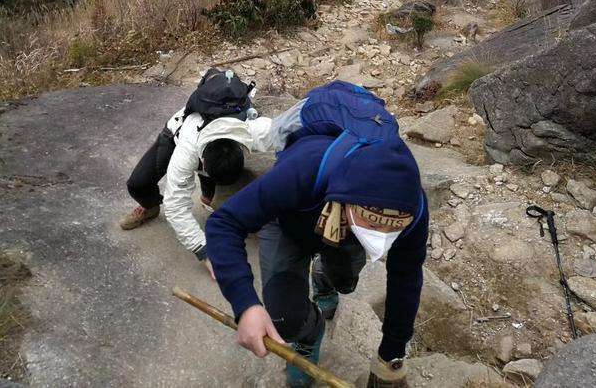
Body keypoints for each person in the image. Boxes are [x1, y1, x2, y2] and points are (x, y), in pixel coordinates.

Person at [206, 81, 428, 388]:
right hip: (289, 221)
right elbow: (224, 223)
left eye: (393, 229)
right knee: (283, 316)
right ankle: (310, 335)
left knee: (345, 283)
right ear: (347, 199)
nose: (382, 236)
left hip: (345, 230)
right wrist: (245, 305)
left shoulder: (411, 206)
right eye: (373, 224)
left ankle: (326, 277)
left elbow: (406, 277)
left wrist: (391, 356)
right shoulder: (302, 170)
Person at [119, 69, 273, 276]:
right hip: (178, 134)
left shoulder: (254, 130)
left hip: (210, 153)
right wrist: (204, 252)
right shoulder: (186, 153)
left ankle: (209, 196)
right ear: (202, 161)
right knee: (137, 184)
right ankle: (150, 206)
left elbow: (291, 126)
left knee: (212, 197)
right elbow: (176, 207)